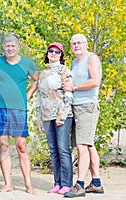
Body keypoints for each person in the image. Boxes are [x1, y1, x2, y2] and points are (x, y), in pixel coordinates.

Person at [0, 33, 38, 194]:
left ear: (18, 47)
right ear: (3, 47)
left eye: (13, 46)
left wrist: (28, 95)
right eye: (7, 46)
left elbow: (36, 80)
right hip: (0, 108)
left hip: (19, 109)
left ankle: (28, 184)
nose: (10, 48)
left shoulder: (27, 63)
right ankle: (7, 183)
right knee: (4, 145)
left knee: (21, 146)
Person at [63, 34, 104, 198]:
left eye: (79, 42)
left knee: (82, 145)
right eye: (73, 43)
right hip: (76, 106)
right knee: (88, 144)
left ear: (86, 44)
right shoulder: (74, 62)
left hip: (88, 106)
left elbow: (96, 81)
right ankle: (96, 183)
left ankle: (79, 185)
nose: (76, 45)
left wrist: (75, 87)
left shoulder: (91, 58)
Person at [37, 42, 73, 195]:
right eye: (50, 51)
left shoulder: (64, 71)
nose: (53, 53)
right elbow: (40, 97)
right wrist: (39, 119)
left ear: (61, 55)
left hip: (62, 115)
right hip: (47, 116)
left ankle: (67, 183)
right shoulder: (43, 73)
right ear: (47, 54)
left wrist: (62, 116)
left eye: (57, 52)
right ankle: (57, 183)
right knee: (53, 150)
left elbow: (69, 94)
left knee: (63, 149)